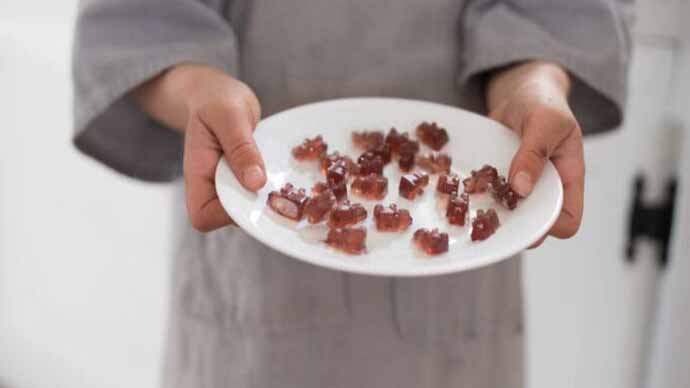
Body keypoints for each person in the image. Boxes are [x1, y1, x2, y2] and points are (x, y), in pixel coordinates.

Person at [72, 1, 632, 386]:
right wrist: (199, 92)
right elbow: (142, 18)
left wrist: (533, 82)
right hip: (258, 217)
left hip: (464, 254)